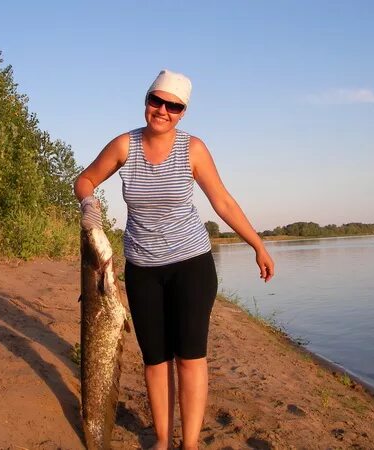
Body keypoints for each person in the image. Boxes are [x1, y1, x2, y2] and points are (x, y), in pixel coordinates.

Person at [74, 69, 274, 450]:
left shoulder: (192, 149)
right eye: (157, 101)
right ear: (146, 100)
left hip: (191, 266)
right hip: (142, 269)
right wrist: (89, 203)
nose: (162, 110)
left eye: (173, 105)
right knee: (155, 360)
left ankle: (191, 444)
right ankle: (164, 441)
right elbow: (84, 180)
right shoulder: (124, 145)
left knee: (190, 356)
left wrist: (257, 245)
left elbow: (223, 202)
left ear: (183, 112)